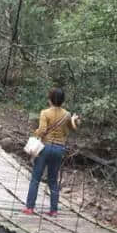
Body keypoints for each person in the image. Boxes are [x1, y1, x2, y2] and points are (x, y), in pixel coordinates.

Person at [23, 88, 80, 217]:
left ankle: (30, 208)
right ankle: (54, 210)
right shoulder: (67, 115)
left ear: (50, 99)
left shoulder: (45, 113)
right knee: (53, 180)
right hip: (59, 149)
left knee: (36, 178)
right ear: (62, 100)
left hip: (45, 148)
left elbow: (42, 130)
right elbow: (71, 129)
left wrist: (35, 133)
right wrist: (74, 120)